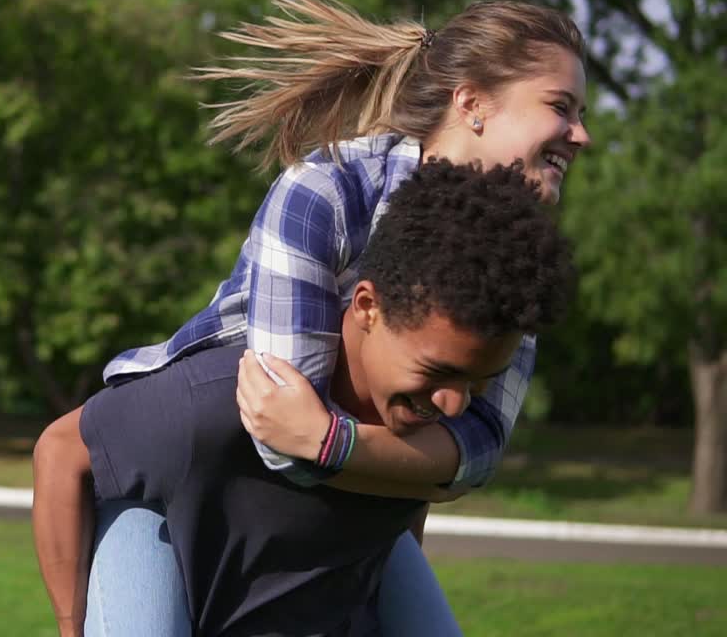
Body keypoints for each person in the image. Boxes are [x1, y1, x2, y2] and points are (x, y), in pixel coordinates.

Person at [77, 0, 592, 635]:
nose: (582, 134)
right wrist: (414, 463)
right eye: (560, 107)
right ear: (472, 102)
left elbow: (474, 451)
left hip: (347, 503)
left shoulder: (515, 260)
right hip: (192, 477)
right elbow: (282, 432)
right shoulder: (330, 189)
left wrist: (338, 442)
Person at [34, 159, 575, 636]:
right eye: (437, 372)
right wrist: (71, 629)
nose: (454, 406)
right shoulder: (224, 398)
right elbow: (59, 451)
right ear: (367, 306)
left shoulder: (421, 426)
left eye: (477, 384)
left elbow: (401, 510)